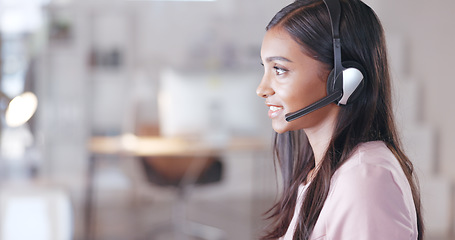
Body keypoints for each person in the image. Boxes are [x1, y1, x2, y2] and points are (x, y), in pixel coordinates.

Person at [256, 0, 424, 239]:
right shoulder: (323, 172)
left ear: (344, 80)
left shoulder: (364, 179)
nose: (261, 89)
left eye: (280, 69)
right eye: (265, 68)